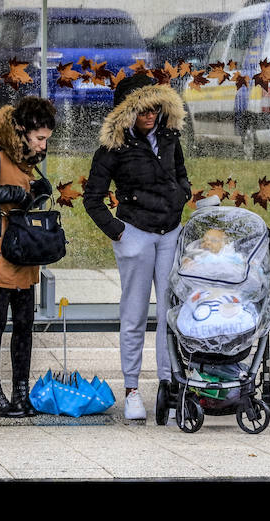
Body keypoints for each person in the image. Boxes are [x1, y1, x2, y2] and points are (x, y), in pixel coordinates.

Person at [83, 73, 191, 421]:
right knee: (134, 314)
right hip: (135, 234)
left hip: (170, 232)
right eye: (144, 110)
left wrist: (182, 194)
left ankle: (170, 388)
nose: (151, 116)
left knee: (170, 315)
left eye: (156, 109)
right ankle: (131, 389)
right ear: (128, 112)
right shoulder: (112, 148)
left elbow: (181, 173)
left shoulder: (170, 136)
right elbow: (92, 198)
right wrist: (119, 232)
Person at [0, 96, 55, 418]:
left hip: (23, 249)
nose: (44, 144)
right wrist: (20, 194)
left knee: (24, 324)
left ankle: (20, 390)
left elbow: (30, 186)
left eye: (47, 138)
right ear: (20, 129)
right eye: (40, 138)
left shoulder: (25, 154)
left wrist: (40, 187)